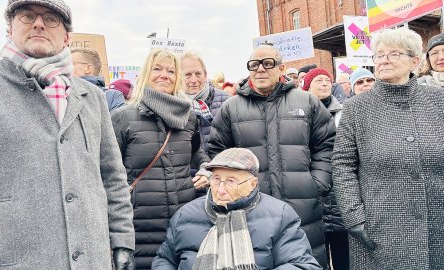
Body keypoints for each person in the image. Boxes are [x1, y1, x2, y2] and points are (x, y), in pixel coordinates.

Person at [0, 0, 135, 269]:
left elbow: (112, 176)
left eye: (51, 18)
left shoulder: (92, 97)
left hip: (93, 258)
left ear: (67, 36)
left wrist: (122, 240)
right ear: (9, 28)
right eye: (27, 15)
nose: (39, 23)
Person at [208, 45, 336, 269]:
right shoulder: (231, 108)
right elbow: (217, 153)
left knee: (305, 261)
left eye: (268, 63)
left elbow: (327, 144)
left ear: (281, 68)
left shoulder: (307, 102)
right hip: (249, 207)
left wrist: (317, 182)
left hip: (303, 205)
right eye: (254, 65)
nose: (260, 70)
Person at [332, 27, 444, 270]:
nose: (383, 60)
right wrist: (354, 217)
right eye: (379, 55)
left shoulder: (438, 100)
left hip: (437, 221)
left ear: (414, 61)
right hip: (378, 225)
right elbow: (342, 166)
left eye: (393, 54)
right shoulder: (356, 107)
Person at [111, 48, 211, 270]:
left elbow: (197, 153)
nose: (164, 75)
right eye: (157, 69)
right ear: (146, 73)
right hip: (140, 223)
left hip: (183, 219)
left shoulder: (189, 118)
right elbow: (108, 172)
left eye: (171, 70)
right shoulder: (122, 117)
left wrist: (206, 169)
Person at [152, 148, 323, 270]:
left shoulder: (279, 215)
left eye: (231, 181)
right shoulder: (186, 215)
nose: (220, 189)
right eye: (216, 179)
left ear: (252, 184)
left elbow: (301, 264)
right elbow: (164, 260)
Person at [302, 68, 348, 269]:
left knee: (344, 255)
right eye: (318, 80)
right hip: (311, 190)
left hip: (339, 192)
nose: (324, 83)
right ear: (307, 87)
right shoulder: (299, 114)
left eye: (327, 80)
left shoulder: (344, 113)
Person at [181, 51, 230, 154]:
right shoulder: (172, 104)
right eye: (188, 75)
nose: (194, 80)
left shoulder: (226, 101)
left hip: (219, 167)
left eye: (198, 73)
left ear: (205, 74)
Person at [71, 48, 125, 112]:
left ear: (88, 68)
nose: (65, 67)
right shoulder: (63, 92)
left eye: (70, 63)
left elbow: (115, 121)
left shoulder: (111, 96)